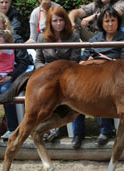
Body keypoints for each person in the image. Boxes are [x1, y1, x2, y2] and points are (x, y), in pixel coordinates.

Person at [72, 6, 124, 149]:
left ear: (118, 22)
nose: (110, 24)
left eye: (113, 20)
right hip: (91, 76)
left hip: (115, 79)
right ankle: (78, 133)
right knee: (75, 93)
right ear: (102, 23)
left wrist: (106, 60)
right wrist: (86, 61)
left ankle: (105, 130)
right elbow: (82, 59)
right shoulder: (94, 39)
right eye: (107, 21)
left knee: (99, 91)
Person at [35, 6, 81, 141]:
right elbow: (38, 61)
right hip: (46, 77)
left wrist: (58, 74)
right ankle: (44, 127)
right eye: (55, 21)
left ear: (66, 21)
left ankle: (74, 132)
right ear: (50, 22)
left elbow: (74, 61)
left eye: (61, 20)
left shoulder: (74, 37)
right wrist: (47, 72)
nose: (59, 24)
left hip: (68, 77)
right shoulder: (42, 37)